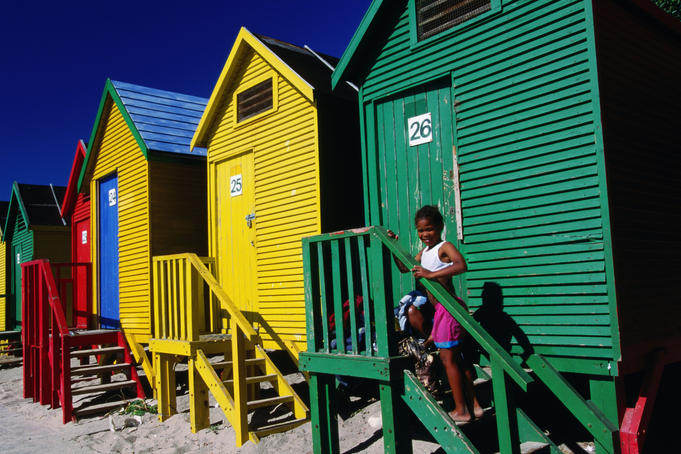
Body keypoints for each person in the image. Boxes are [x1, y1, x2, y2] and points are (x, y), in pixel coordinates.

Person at [388, 205, 483, 423]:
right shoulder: (425, 252)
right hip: (441, 311)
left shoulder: (444, 247)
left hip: (449, 308)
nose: (425, 235)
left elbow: (461, 265)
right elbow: (405, 268)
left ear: (440, 226)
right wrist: (394, 244)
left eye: (429, 229)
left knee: (449, 360)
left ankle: (462, 411)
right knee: (458, 359)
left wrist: (430, 274)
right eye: (420, 231)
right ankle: (475, 406)